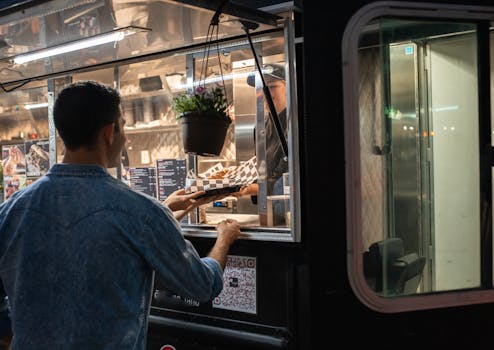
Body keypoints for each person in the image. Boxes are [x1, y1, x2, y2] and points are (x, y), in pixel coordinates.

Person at [0, 80, 241, 349]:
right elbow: (202, 285)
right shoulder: (142, 213)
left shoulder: (11, 211)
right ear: (109, 132)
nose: (125, 137)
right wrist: (225, 237)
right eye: (123, 125)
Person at [240, 63, 289, 225]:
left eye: (272, 86)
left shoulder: (295, 122)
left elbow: (287, 170)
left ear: (287, 87)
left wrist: (253, 188)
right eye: (261, 88)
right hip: (267, 209)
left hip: (291, 209)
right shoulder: (260, 126)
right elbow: (258, 166)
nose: (265, 93)